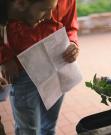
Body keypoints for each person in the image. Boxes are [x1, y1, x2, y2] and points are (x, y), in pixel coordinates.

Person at [0, 0, 79, 134]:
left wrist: (73, 42)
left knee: (49, 126)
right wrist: (4, 57)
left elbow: (70, 25)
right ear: (20, 4)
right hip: (23, 70)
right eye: (45, 9)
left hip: (57, 66)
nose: (50, 16)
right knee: (28, 130)